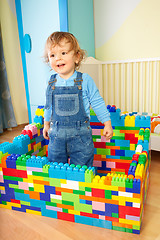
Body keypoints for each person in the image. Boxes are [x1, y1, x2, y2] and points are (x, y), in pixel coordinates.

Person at [43, 31, 113, 167]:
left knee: (82, 168)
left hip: (81, 137)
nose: (58, 58)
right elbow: (48, 106)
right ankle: (60, 187)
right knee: (55, 167)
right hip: (56, 135)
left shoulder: (85, 80)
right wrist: (46, 124)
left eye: (63, 53)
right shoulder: (51, 82)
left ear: (77, 57)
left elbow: (97, 102)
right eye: (52, 55)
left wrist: (107, 123)